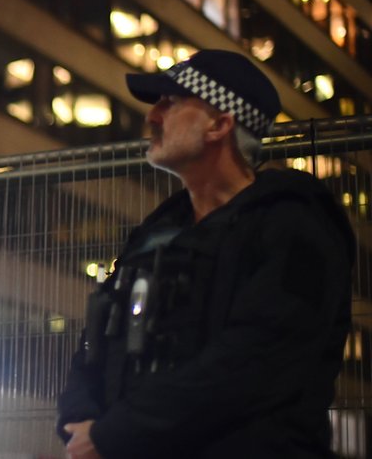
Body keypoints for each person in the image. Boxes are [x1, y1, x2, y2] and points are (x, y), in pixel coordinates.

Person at [56, 50, 355, 458]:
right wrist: (80, 421)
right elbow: (99, 337)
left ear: (220, 124)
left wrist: (114, 434)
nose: (153, 116)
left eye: (170, 102)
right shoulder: (158, 230)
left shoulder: (295, 221)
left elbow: (255, 362)